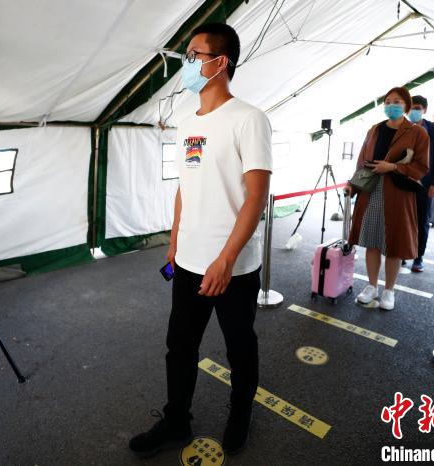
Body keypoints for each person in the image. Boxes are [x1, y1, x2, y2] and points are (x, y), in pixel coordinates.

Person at [129, 23, 272, 457]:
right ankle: (176, 419)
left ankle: (240, 415)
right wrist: (174, 243)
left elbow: (256, 196)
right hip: (189, 260)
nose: (187, 64)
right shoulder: (187, 122)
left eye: (194, 55)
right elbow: (184, 188)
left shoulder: (249, 119)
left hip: (233, 266)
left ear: (220, 62)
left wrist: (226, 259)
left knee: (239, 348)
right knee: (179, 347)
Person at [346, 87, 429, 311]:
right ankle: (372, 286)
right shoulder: (374, 129)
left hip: (398, 194)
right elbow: (362, 161)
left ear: (406, 106)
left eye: (397, 101)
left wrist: (392, 167)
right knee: (372, 241)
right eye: (388, 101)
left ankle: (389, 290)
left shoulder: (417, 132)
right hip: (371, 191)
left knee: (395, 245)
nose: (391, 105)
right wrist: (353, 184)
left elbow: (422, 167)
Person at [407, 95, 434, 272]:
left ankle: (418, 257)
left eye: (417, 108)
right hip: (403, 181)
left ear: (425, 110)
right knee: (403, 220)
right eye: (411, 108)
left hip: (426, 183)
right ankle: (401, 253)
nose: (413, 111)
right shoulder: (402, 127)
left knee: (422, 221)